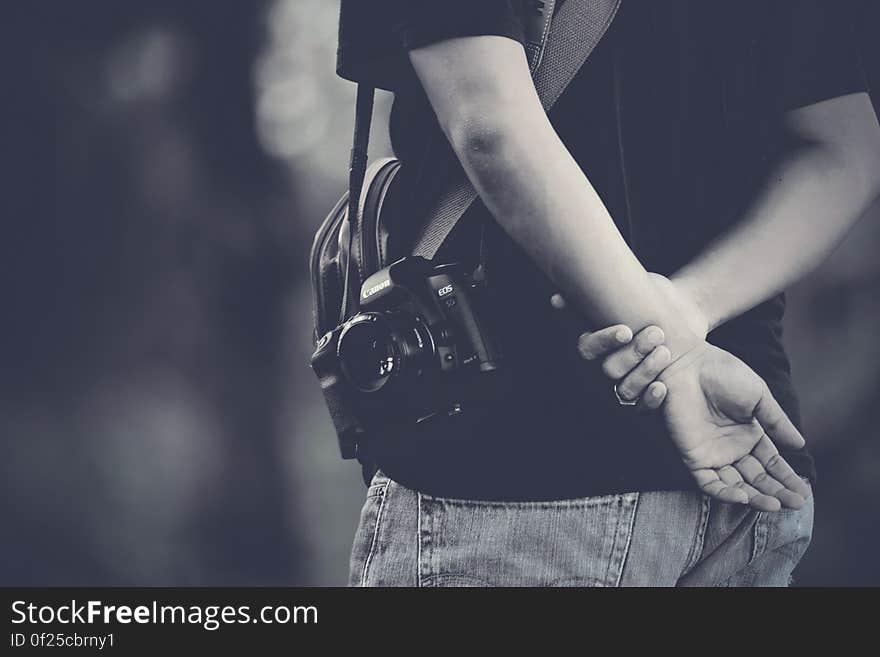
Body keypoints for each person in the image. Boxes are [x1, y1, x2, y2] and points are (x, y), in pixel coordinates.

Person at [336, 0, 880, 586]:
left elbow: (490, 124)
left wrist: (677, 349)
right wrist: (687, 309)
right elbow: (847, 149)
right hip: (744, 467)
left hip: (519, 469)